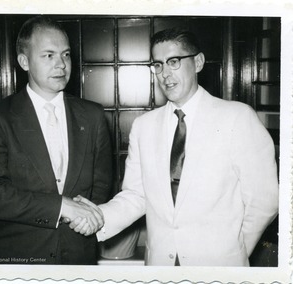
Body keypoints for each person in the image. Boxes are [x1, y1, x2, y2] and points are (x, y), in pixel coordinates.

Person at [71, 28, 279, 266]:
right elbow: (136, 196)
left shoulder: (237, 118)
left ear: (198, 62)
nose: (165, 74)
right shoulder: (144, 126)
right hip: (160, 266)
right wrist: (98, 217)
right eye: (158, 65)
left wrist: (237, 248)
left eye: (173, 62)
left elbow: (265, 200)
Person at [0, 16, 112, 265]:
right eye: (49, 55)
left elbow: (101, 184)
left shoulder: (93, 115)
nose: (61, 65)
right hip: (19, 262)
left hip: (79, 258)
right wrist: (61, 207)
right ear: (24, 61)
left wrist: (85, 219)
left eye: (66, 55)